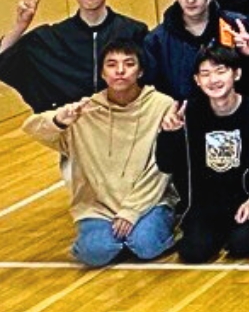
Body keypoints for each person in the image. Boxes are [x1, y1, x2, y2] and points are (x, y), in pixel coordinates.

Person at [22, 42, 177, 267]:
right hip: (98, 207)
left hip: (148, 201)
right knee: (95, 252)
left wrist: (131, 210)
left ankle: (134, 236)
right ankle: (116, 240)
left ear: (140, 71)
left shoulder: (162, 105)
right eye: (111, 65)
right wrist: (59, 120)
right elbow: (32, 128)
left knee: (146, 245)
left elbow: (160, 168)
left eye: (129, 64)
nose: (120, 71)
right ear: (102, 73)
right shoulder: (85, 110)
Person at [154, 44, 249, 263]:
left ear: (236, 74)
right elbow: (166, 164)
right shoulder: (187, 114)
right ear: (197, 80)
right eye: (205, 74)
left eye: (221, 71)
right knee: (193, 253)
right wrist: (169, 134)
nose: (213, 79)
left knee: (244, 244)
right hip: (205, 206)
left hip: (247, 201)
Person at [1, 0, 148, 113]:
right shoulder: (52, 37)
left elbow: (153, 77)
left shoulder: (133, 31)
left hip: (124, 116)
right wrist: (21, 25)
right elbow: (3, 59)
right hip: (70, 119)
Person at [141, 0, 246, 102]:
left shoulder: (236, 25)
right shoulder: (156, 39)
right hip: (181, 110)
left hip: (232, 106)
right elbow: (151, 84)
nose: (190, 0)